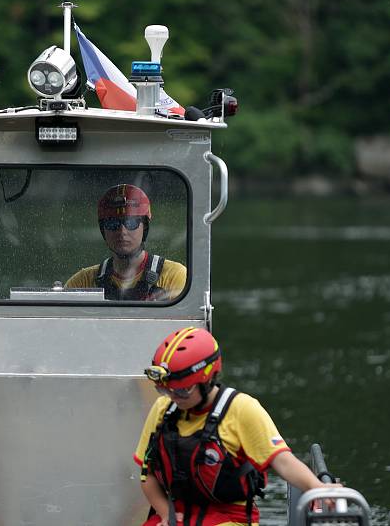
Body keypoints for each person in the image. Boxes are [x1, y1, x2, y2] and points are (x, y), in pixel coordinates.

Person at [134, 327, 340, 526]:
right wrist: (165, 515)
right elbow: (147, 474)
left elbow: (283, 462)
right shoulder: (164, 409)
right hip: (176, 512)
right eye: (168, 390)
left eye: (183, 391)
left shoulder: (242, 409)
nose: (175, 397)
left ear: (207, 378)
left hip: (230, 517)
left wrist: (318, 487)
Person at [65, 183, 187, 301]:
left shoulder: (174, 277)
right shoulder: (82, 283)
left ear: (144, 227)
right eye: (112, 223)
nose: (122, 231)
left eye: (131, 223)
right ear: (103, 230)